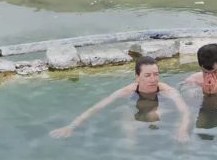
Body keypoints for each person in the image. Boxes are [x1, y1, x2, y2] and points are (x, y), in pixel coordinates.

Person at [50, 56, 192, 139]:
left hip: (158, 112)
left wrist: (182, 128)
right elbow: (98, 106)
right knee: (128, 130)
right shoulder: (128, 90)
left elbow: (184, 111)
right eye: (147, 75)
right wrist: (71, 126)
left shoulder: (167, 90)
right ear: (137, 77)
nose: (153, 79)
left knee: (154, 115)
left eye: (156, 74)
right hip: (134, 111)